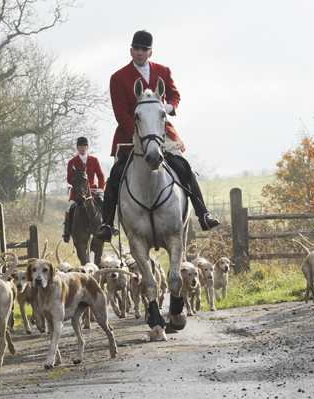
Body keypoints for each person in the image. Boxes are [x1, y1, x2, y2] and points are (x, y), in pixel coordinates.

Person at [95, 30, 220, 242]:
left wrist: (167, 108)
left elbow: (175, 95)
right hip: (130, 133)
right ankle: (107, 223)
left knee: (184, 167)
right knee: (115, 175)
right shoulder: (118, 77)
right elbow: (120, 112)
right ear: (131, 50)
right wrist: (139, 135)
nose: (140, 53)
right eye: (136, 49)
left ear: (150, 53)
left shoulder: (163, 71)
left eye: (144, 50)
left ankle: (203, 213)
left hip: (162, 132)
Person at [63, 136, 105, 243]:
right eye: (81, 146)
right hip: (78, 192)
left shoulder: (94, 160)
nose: (83, 147)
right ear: (77, 147)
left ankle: (109, 227)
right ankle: (67, 231)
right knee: (70, 208)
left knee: (104, 204)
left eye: (85, 146)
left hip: (93, 191)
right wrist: (77, 182)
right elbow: (69, 178)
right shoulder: (72, 161)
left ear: (88, 147)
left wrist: (100, 189)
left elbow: (101, 175)